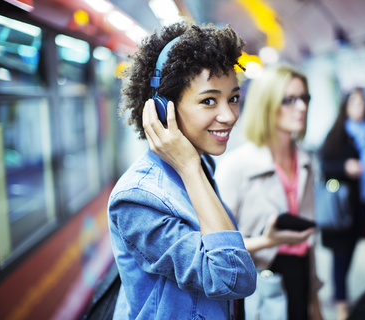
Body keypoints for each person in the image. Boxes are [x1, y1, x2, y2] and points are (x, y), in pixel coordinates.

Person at [108, 21, 257, 319]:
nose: (228, 115)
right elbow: (231, 277)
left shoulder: (201, 165)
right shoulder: (138, 199)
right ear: (164, 109)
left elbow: (212, 247)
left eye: (234, 98)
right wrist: (189, 167)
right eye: (209, 100)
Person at [216, 63, 323, 320]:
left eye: (304, 98)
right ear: (267, 104)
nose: (302, 107)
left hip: (300, 275)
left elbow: (307, 239)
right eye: (289, 100)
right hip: (258, 280)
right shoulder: (236, 166)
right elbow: (216, 247)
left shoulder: (307, 162)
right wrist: (270, 240)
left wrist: (315, 300)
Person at [319, 88, 365, 320]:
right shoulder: (338, 134)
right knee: (342, 259)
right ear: (345, 106)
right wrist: (345, 167)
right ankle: (341, 306)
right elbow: (325, 165)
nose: (360, 107)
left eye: (362, 102)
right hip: (345, 209)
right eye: (354, 102)